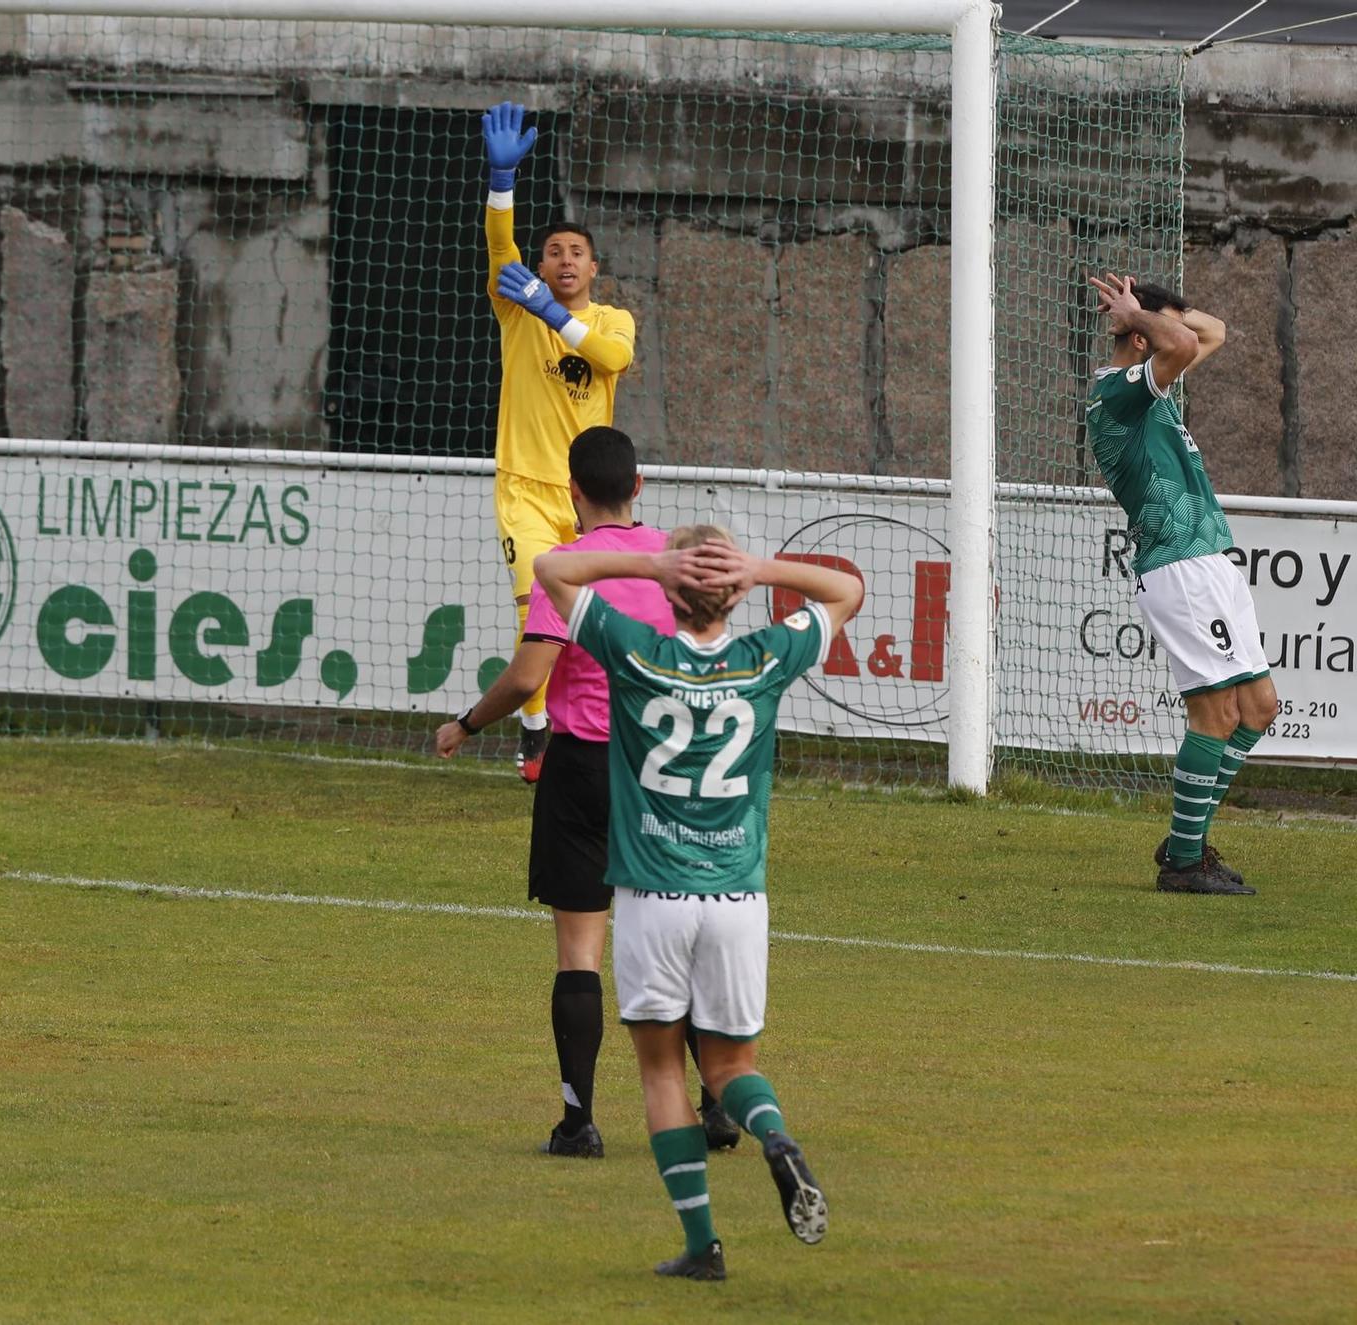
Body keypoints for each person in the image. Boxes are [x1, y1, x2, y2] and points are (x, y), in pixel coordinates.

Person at [534, 527, 864, 1280]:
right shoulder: (765, 657)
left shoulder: (633, 648)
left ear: (672, 594)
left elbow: (552, 568)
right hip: (738, 899)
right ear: (734, 594)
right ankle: (774, 1136)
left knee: (661, 1072)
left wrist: (652, 564)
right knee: (730, 1065)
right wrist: (761, 570)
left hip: (653, 898)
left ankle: (701, 1244)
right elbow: (848, 590)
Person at [435, 426, 738, 1159]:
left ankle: (579, 1123)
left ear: (572, 492)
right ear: (639, 486)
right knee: (683, 942)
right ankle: (720, 1104)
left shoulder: (566, 567)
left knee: (580, 953)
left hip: (582, 769)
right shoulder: (678, 561)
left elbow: (529, 676)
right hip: (665, 771)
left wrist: (467, 723)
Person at [1085, 273, 1272, 896]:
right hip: (1177, 566)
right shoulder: (1117, 395)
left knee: (1259, 708)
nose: (1181, 331)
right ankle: (1184, 864)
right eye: (1164, 327)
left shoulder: (1155, 385)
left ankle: (1188, 842)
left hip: (1210, 557)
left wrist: (1151, 311)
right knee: (1216, 713)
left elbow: (1209, 332)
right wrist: (1140, 317)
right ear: (1144, 342)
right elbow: (1187, 346)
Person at [480, 102, 636, 782]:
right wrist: (500, 181)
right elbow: (498, 246)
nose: (564, 260)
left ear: (593, 268)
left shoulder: (612, 320)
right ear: (539, 264)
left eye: (576, 253)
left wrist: (555, 313)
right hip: (524, 488)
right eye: (553, 252)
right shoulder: (517, 311)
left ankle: (580, 727)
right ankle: (536, 728)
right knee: (535, 609)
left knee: (586, 622)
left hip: (589, 498)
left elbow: (611, 358)